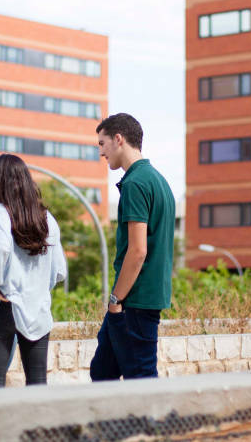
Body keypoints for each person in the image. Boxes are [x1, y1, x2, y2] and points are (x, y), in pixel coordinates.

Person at [90, 113, 175, 380]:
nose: (101, 152)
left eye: (102, 144)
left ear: (119, 139)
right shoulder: (157, 180)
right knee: (103, 371)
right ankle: (110, 423)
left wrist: (116, 299)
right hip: (140, 299)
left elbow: (137, 251)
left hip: (133, 301)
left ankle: (155, 424)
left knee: (141, 378)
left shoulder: (136, 184)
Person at [0, 154, 67, 388]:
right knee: (37, 383)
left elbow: (0, 249)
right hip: (37, 308)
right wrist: (36, 286)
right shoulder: (47, 218)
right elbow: (60, 271)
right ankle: (37, 426)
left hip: (4, 304)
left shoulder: (1, 211)